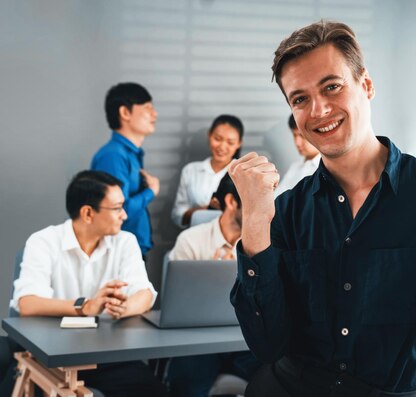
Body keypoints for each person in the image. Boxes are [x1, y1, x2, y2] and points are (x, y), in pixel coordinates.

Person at [228, 20, 416, 397]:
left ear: (366, 85)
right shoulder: (285, 210)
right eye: (300, 99)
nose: (318, 110)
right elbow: (267, 345)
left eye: (332, 86)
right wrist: (253, 223)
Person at [10, 170, 168, 397]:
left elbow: (144, 293)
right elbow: (27, 303)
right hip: (54, 355)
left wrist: (125, 308)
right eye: (117, 208)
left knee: (156, 392)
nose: (124, 215)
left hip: (106, 355)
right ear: (87, 213)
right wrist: (86, 307)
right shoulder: (43, 241)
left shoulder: (126, 241)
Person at [166, 174, 261, 397]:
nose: (261, 213)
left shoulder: (264, 243)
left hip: (245, 341)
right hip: (198, 342)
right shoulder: (191, 240)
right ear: (231, 202)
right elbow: (176, 305)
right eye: (254, 204)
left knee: (281, 371)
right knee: (187, 381)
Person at [91, 82, 160, 256]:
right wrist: (151, 191)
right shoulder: (113, 156)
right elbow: (116, 210)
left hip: (130, 250)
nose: (154, 114)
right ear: (125, 112)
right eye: (147, 108)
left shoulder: (129, 154)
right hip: (117, 253)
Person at [171, 114, 244, 228]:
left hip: (232, 241)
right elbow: (177, 215)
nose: (222, 146)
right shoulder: (190, 170)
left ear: (239, 143)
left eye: (230, 142)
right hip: (197, 237)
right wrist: (205, 210)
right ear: (209, 135)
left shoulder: (244, 172)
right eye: (218, 139)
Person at [274, 114, 321, 197]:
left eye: (301, 135)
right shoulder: (295, 167)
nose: (297, 143)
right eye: (294, 135)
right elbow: (277, 198)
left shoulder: (327, 169)